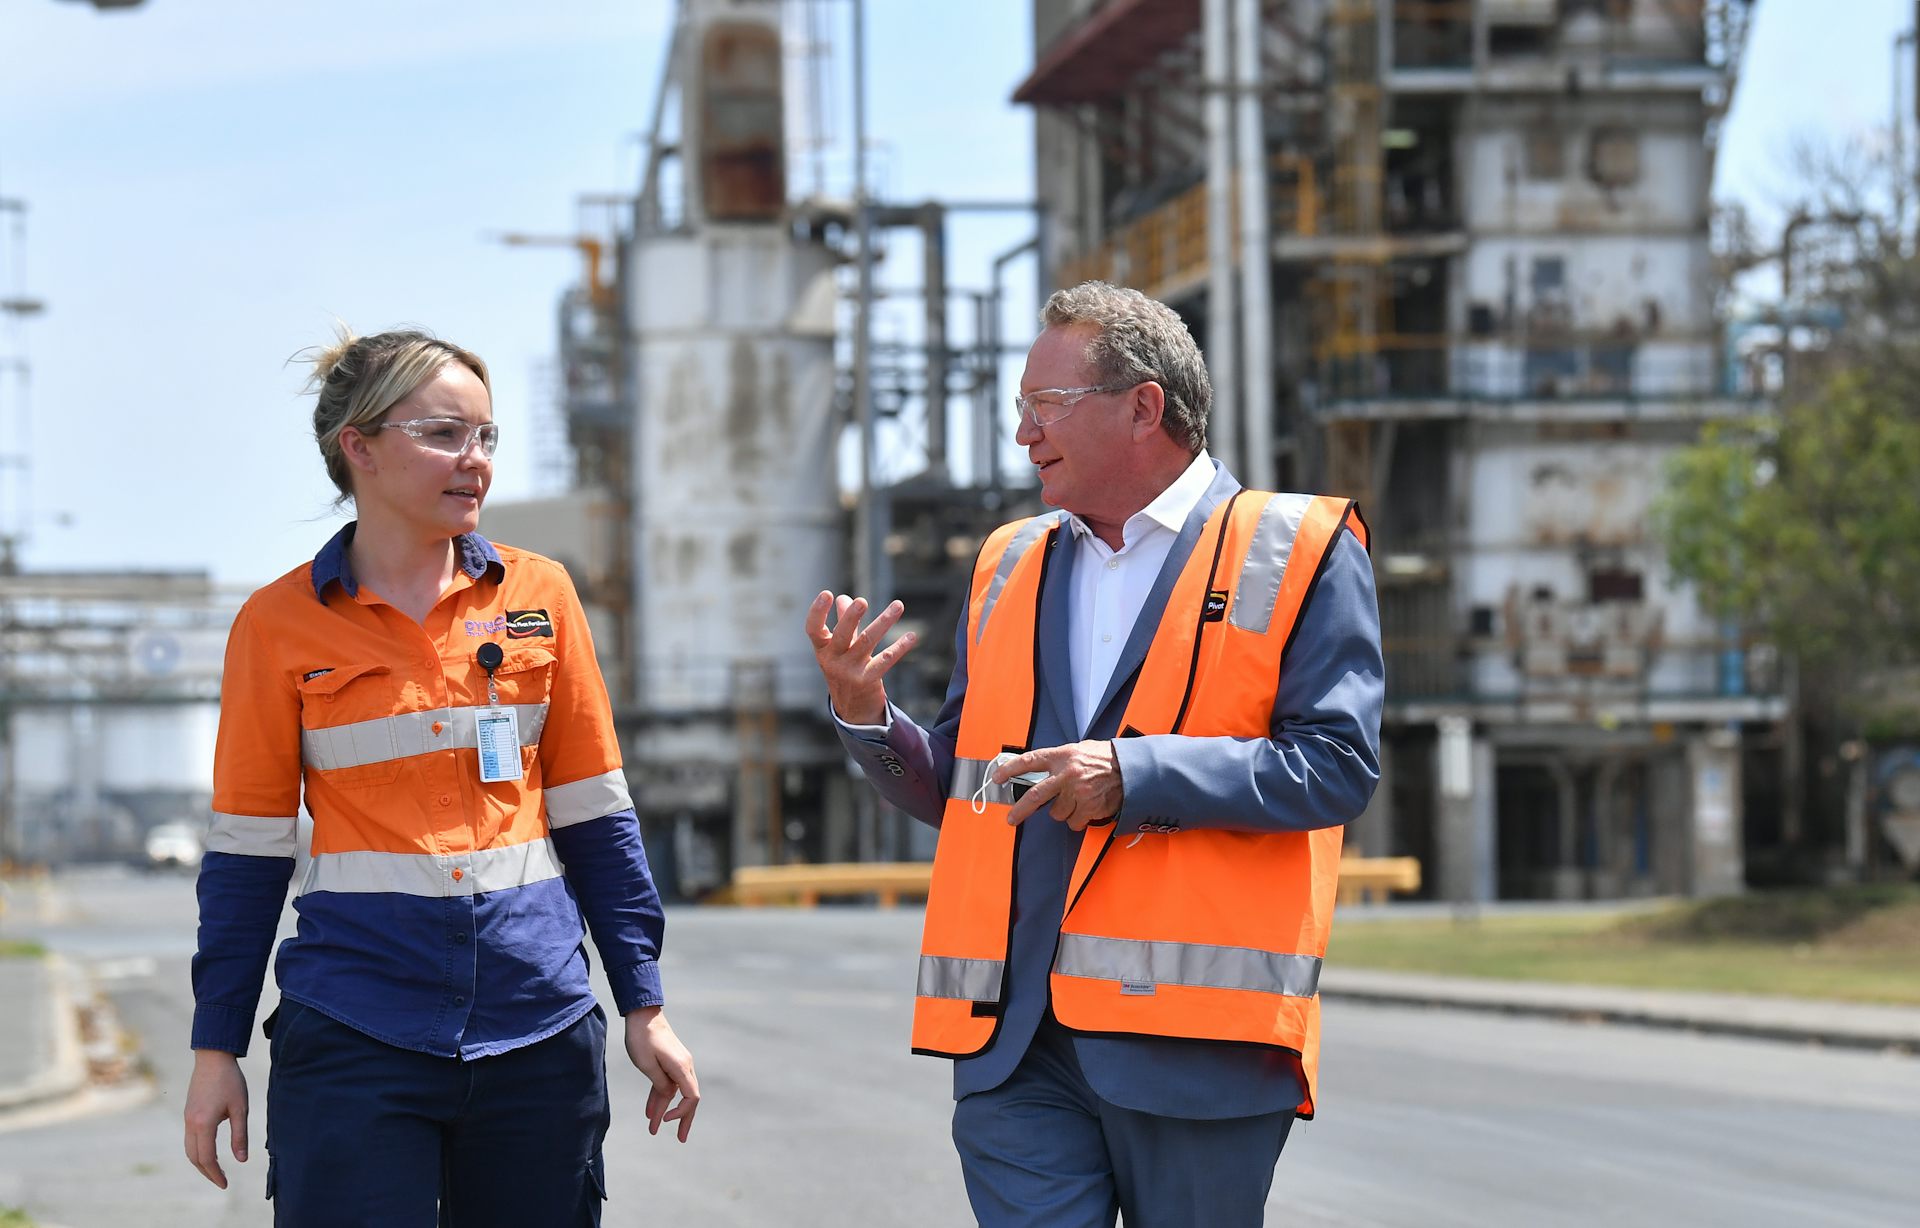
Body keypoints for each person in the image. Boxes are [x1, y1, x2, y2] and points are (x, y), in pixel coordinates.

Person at [806, 282, 1383, 1226]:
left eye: (1046, 406)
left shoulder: (1298, 548)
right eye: (1018, 409)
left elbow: (1334, 766)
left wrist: (1132, 774)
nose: (1024, 434)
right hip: (1015, 1047)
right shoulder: (1009, 560)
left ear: (1144, 405)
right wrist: (867, 715)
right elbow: (971, 784)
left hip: (1195, 1048)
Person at [183, 328, 698, 1227]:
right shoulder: (276, 626)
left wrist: (643, 1005)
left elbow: (597, 822)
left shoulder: (542, 596)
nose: (476, 462)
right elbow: (246, 857)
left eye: (488, 437)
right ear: (361, 447)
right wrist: (214, 1049)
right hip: (354, 1032)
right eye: (445, 435)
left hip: (536, 1030)